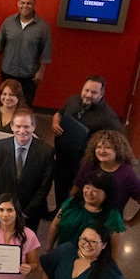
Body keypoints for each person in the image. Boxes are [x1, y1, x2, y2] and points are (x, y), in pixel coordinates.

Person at [52, 76, 121, 209]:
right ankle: (58, 211)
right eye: (86, 90)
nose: (88, 95)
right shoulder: (73, 100)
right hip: (63, 156)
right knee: (60, 185)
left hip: (83, 163)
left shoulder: (109, 119)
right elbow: (59, 114)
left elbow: (114, 146)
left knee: (78, 194)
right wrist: (55, 122)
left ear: (102, 94)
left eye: (94, 93)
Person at [0, 108, 53, 231]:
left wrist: (26, 212)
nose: (22, 131)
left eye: (26, 127)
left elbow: (44, 186)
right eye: (18, 126)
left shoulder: (46, 151)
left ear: (33, 127)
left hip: (30, 212)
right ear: (12, 126)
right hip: (2, 210)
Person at [0, 0, 53, 106]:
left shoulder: (42, 27)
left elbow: (46, 52)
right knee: (5, 103)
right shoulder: (8, 22)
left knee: (25, 106)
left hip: (29, 75)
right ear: (18, 3)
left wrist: (41, 72)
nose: (25, 6)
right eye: (22, 3)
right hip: (8, 71)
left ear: (34, 4)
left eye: (29, 3)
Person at [46, 171, 124, 253]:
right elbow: (55, 225)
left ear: (107, 194)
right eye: (87, 187)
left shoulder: (112, 216)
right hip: (63, 254)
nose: (89, 193)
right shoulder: (72, 203)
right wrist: (48, 249)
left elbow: (115, 249)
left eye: (95, 190)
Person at [72, 130, 140, 220]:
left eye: (108, 147)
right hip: (83, 215)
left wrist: (130, 223)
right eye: (98, 147)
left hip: (108, 221)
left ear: (118, 150)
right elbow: (74, 191)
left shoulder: (128, 175)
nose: (102, 151)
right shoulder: (88, 165)